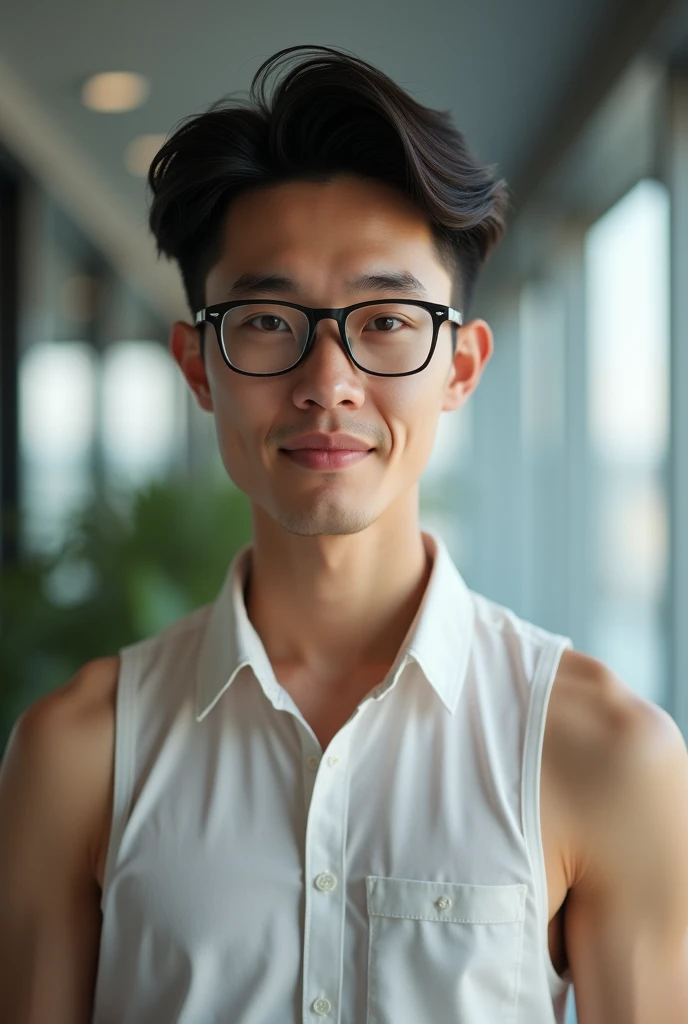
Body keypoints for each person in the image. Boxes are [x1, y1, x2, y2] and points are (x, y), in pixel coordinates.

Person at [1, 43, 688, 1024]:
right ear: (198, 366)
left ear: (460, 365)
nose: (328, 382)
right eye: (269, 320)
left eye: (386, 318)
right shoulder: (78, 755)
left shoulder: (602, 752)